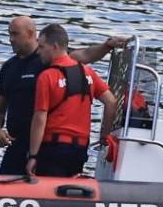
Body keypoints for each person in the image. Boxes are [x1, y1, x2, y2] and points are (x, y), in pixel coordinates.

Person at [0, 16, 127, 174]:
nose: (11, 39)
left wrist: (106, 46)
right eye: (9, 34)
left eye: (15, 34)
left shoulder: (50, 58)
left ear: (30, 34)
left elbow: (86, 55)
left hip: (43, 143)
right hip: (16, 143)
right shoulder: (9, 68)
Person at [26, 24, 119, 177]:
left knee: (49, 193)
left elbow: (40, 118)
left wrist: (33, 155)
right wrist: (105, 136)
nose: (38, 51)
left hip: (53, 148)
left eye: (42, 47)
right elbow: (111, 102)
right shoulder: (87, 72)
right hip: (79, 149)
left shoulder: (47, 76)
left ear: (54, 47)